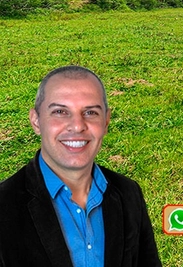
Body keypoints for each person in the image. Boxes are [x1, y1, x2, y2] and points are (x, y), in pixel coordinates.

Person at [0, 65, 162, 267]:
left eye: (91, 112)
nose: (77, 126)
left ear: (106, 121)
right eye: (60, 111)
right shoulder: (4, 205)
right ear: (36, 120)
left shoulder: (129, 193)